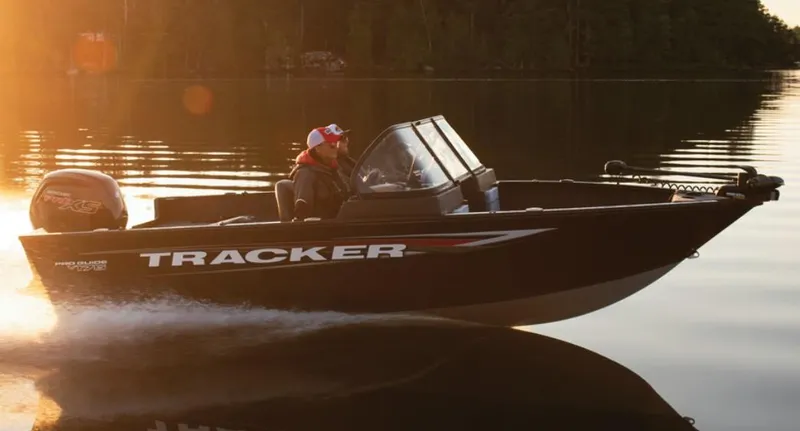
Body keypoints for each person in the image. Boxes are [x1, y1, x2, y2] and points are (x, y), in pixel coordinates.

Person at [289, 123, 357, 220]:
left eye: (335, 141)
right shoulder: (305, 173)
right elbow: (302, 213)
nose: (334, 145)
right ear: (317, 148)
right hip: (325, 228)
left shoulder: (334, 168)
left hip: (343, 219)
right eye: (330, 143)